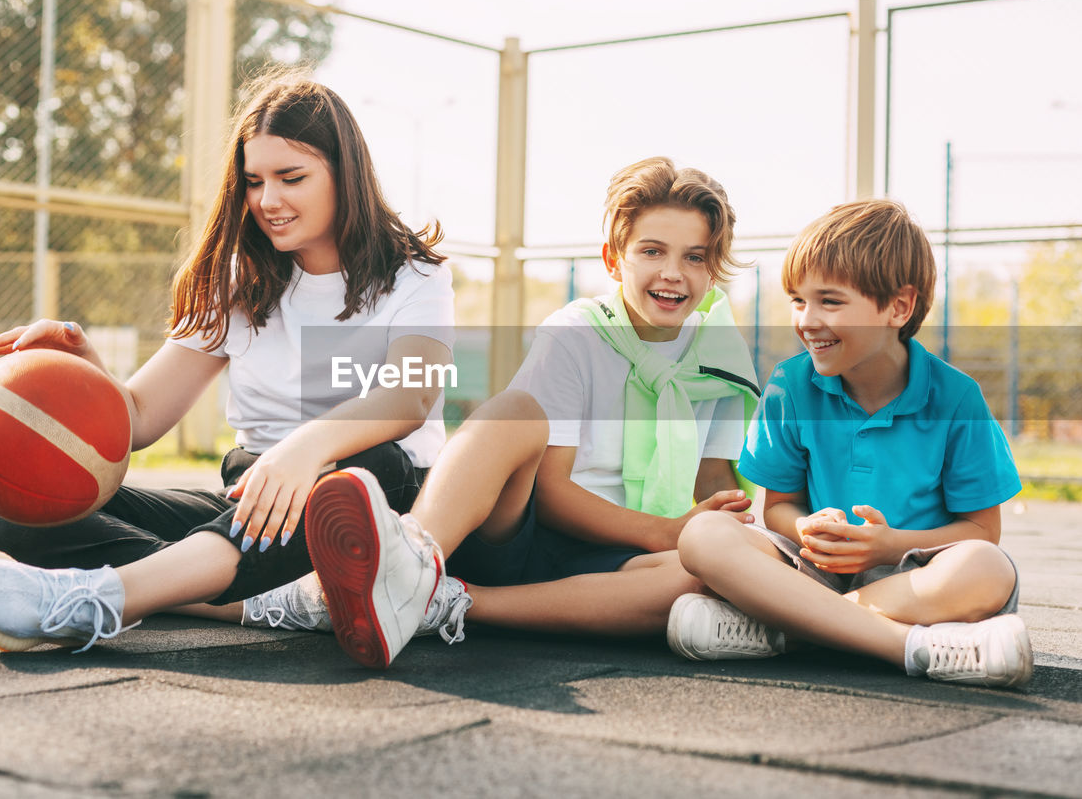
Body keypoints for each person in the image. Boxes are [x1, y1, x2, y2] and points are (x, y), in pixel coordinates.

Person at [0, 68, 460, 653]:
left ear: (344, 174)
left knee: (354, 479)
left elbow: (410, 398)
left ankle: (96, 602)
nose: (268, 201)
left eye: (291, 177)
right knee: (24, 512)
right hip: (249, 502)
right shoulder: (238, 280)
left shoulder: (417, 274)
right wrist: (83, 369)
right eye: (254, 182)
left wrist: (305, 449)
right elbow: (140, 418)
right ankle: (282, 602)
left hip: (376, 491)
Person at [270, 156, 762, 669]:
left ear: (712, 271)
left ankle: (445, 601)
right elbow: (550, 493)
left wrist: (749, 541)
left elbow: (713, 482)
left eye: (695, 258)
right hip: (526, 535)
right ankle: (415, 556)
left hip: (621, 559)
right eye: (652, 251)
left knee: (701, 577)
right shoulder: (578, 334)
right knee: (514, 411)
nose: (672, 273)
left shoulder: (719, 356)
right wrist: (660, 532)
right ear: (615, 260)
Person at [667, 199, 1032, 688]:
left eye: (830, 301)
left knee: (987, 569)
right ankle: (912, 644)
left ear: (897, 307)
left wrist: (889, 546)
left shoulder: (956, 397)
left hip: (911, 577)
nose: (807, 320)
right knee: (703, 534)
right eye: (799, 300)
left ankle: (788, 631)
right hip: (810, 569)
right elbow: (779, 509)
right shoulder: (788, 386)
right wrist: (808, 527)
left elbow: (983, 532)